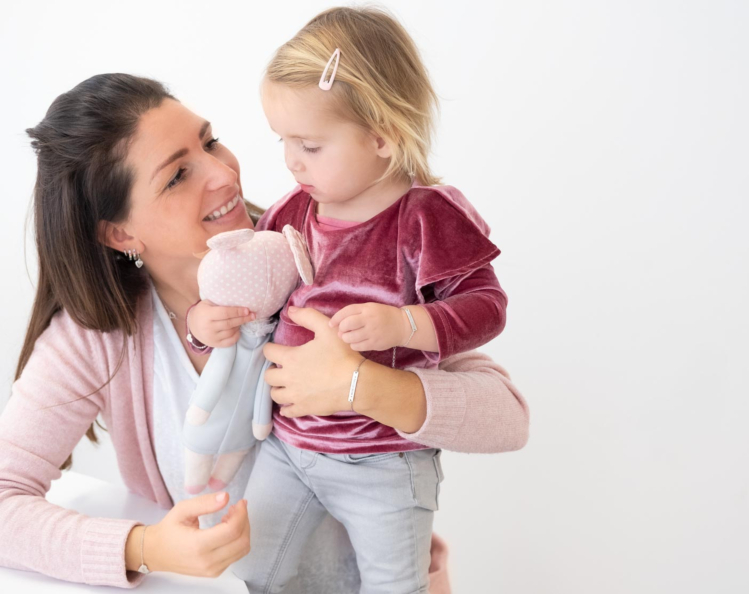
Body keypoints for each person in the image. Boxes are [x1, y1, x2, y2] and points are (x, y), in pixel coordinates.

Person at [0, 73, 529, 592]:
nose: (223, 174)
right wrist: (146, 547)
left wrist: (359, 384)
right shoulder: (97, 337)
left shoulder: (317, 246)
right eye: (177, 175)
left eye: (210, 142)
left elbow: (508, 417)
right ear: (120, 233)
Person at [188, 7, 510, 593]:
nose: (290, 161)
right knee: (247, 576)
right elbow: (252, 293)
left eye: (308, 144)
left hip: (386, 463)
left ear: (382, 136)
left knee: (393, 585)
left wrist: (406, 324)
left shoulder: (426, 217)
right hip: (290, 450)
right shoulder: (295, 210)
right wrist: (204, 322)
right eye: (282, 141)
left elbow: (488, 307)